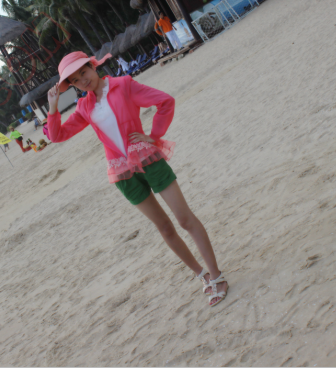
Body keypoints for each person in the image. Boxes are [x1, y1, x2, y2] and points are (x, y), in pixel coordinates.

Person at [46, 52, 228, 307]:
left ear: (93, 66)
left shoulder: (123, 85)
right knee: (164, 228)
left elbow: (165, 101)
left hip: (148, 160)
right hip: (122, 173)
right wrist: (53, 109)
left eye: (83, 73)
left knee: (184, 219)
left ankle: (217, 276)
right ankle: (203, 276)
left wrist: (154, 135)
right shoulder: (84, 107)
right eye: (75, 80)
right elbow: (57, 135)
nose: (82, 81)